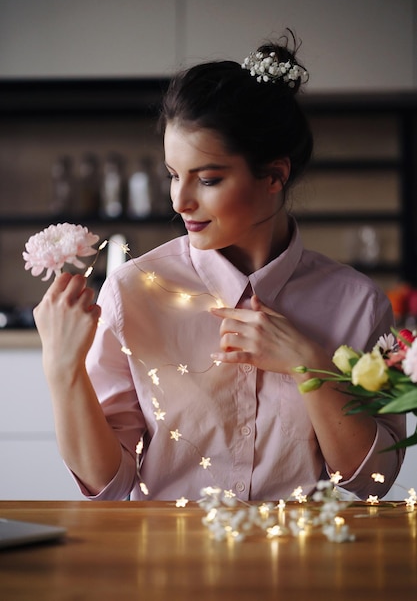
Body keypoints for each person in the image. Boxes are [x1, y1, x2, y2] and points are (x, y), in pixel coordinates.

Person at [34, 32, 405, 502]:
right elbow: (110, 485)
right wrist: (62, 371)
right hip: (166, 566)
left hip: (299, 566)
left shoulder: (357, 305)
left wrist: (308, 365)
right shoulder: (133, 292)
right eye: (173, 175)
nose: (180, 201)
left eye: (208, 179)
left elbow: (374, 483)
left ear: (275, 174)